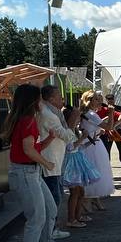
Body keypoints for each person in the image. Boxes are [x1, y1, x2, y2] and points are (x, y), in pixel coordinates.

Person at [2, 84, 63, 242]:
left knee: (50, 208)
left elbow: (32, 147)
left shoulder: (27, 120)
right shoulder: (27, 121)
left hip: (32, 172)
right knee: (36, 216)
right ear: (32, 101)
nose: (41, 102)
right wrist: (47, 164)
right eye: (39, 98)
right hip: (26, 173)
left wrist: (49, 140)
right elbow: (28, 150)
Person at [60, 105, 101, 228]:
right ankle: (71, 219)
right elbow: (70, 148)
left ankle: (78, 216)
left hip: (78, 161)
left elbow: (79, 147)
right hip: (72, 164)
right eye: (76, 117)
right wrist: (83, 138)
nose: (79, 120)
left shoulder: (74, 131)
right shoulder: (66, 131)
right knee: (75, 192)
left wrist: (90, 141)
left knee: (80, 191)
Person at [37, 85, 73, 218]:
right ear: (51, 99)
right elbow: (67, 136)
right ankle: (50, 231)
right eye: (59, 97)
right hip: (49, 162)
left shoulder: (52, 112)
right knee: (54, 198)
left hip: (54, 162)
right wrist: (73, 120)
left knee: (57, 195)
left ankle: (52, 229)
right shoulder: (49, 115)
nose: (62, 100)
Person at [78, 91, 115, 212]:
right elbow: (109, 127)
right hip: (91, 147)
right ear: (89, 101)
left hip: (93, 144)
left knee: (96, 170)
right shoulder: (91, 114)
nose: (99, 102)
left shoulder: (89, 113)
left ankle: (93, 199)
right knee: (94, 171)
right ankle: (87, 200)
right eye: (96, 100)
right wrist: (111, 114)